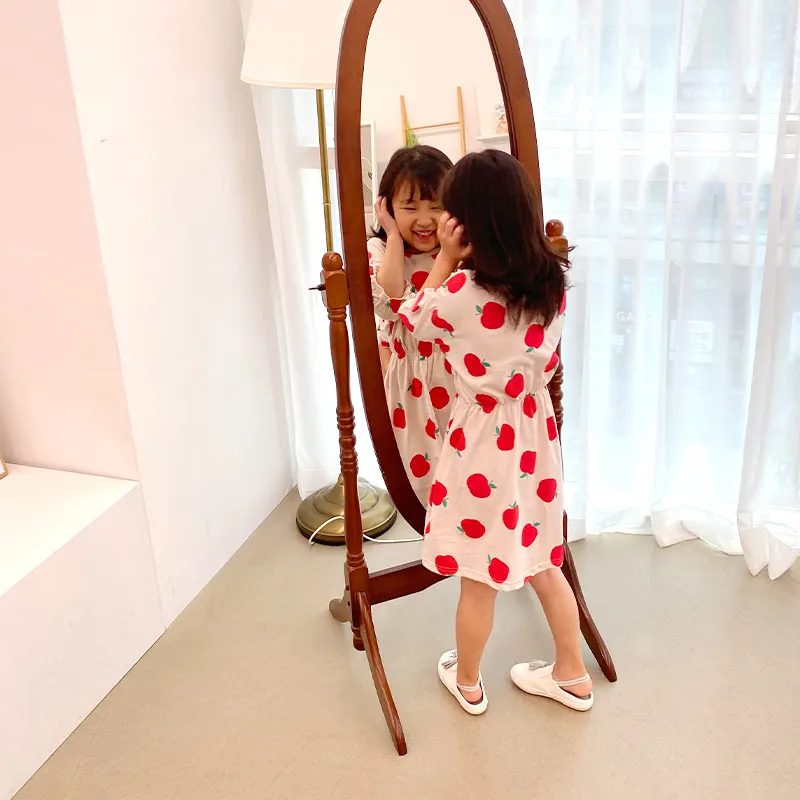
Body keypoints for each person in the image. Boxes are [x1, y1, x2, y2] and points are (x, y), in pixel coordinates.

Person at [397, 149, 593, 716]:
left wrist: (442, 258)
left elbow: (411, 320)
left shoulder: (459, 296)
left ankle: (469, 682)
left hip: (481, 442)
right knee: (545, 561)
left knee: (477, 575)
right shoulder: (552, 284)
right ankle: (572, 674)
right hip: (534, 435)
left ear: (467, 224)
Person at [369, 146, 456, 503]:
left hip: (456, 374)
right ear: (388, 207)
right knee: (423, 484)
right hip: (410, 384)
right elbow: (390, 304)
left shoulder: (460, 250)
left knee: (464, 472)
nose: (424, 220)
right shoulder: (379, 250)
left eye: (436, 206)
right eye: (410, 207)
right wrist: (392, 236)